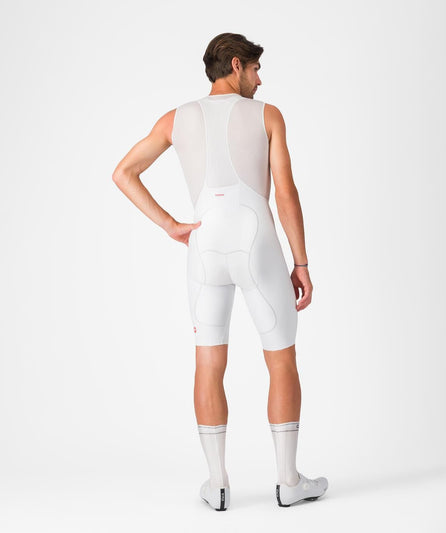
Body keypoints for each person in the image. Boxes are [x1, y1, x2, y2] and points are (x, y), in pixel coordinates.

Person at [112, 32, 328, 511]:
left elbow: (123, 172)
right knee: (281, 360)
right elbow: (286, 193)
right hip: (257, 243)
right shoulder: (268, 115)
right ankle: (288, 481)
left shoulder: (175, 118)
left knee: (208, 364)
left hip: (204, 247)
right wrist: (301, 262)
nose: (259, 80)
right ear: (235, 65)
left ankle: (218, 484)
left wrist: (171, 225)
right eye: (255, 69)